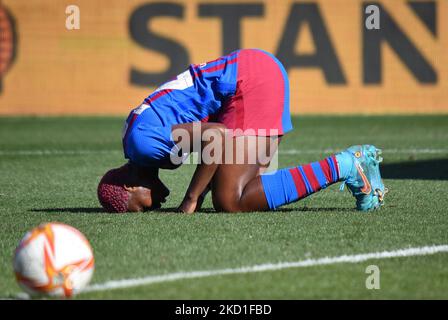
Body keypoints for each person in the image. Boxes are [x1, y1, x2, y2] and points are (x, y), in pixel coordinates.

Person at [97, 49, 387, 213]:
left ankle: (347, 165)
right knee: (242, 189)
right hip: (250, 76)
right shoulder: (136, 140)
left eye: (142, 207)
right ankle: (353, 168)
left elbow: (215, 136)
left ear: (130, 187)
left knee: (229, 199)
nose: (153, 207)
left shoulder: (142, 145)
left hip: (248, 84)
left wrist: (190, 200)